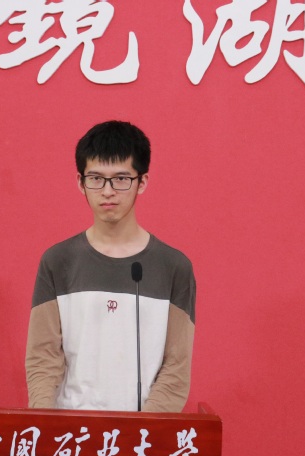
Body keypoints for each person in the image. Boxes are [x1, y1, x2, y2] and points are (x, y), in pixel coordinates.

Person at [25, 120, 196, 412]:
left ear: (142, 182)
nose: (107, 191)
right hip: (71, 433)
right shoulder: (57, 261)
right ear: (80, 182)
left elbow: (176, 367)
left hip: (144, 434)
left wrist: (143, 430)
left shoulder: (174, 267)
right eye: (96, 178)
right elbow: (43, 359)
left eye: (121, 179)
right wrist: (45, 423)